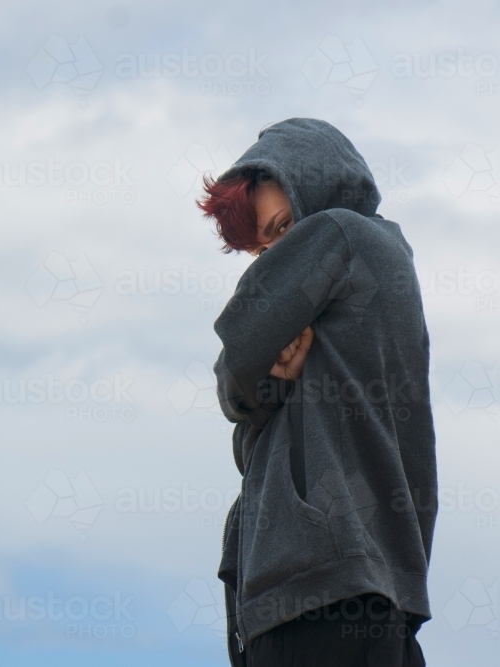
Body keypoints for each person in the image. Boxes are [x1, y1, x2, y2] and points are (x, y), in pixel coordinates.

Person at [197, 118, 437, 666]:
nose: (275, 257)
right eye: (263, 249)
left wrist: (258, 386)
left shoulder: (337, 233)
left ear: (316, 182)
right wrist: (277, 386)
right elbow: (259, 448)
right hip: (377, 594)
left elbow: (235, 358)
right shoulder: (381, 262)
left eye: (283, 228)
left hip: (316, 597)